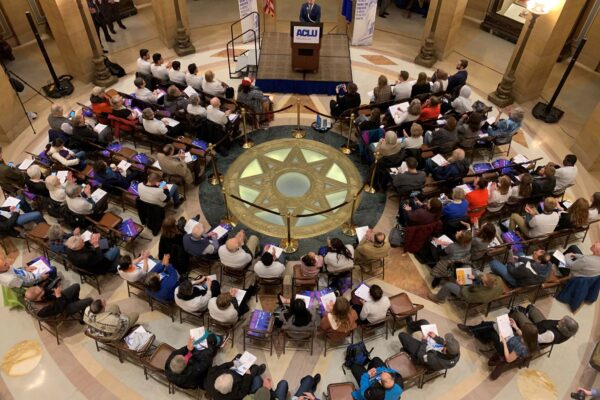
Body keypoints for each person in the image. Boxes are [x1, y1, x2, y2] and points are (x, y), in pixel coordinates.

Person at [457, 317, 538, 368]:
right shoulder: (530, 340)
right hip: (509, 339)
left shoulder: (521, 348)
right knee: (494, 325)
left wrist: (504, 343)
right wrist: (515, 326)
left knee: (493, 332)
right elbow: (521, 333)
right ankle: (474, 331)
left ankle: (473, 330)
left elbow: (508, 359)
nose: (522, 332)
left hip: (504, 349)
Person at [510, 304, 579, 345]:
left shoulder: (551, 335)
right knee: (531, 308)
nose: (560, 320)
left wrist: (517, 328)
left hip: (534, 333)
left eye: (562, 321)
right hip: (543, 325)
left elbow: (534, 339)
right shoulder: (567, 330)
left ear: (564, 327)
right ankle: (525, 314)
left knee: (519, 315)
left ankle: (510, 317)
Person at [430, 268, 502, 304]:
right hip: (476, 287)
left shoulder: (481, 294)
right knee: (470, 270)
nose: (483, 276)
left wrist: (461, 285)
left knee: (448, 285)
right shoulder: (496, 280)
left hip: (468, 294)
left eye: (484, 277)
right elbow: (484, 277)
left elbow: (467, 295)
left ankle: (439, 298)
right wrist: (476, 277)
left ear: (485, 284)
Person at [24, 283, 93, 319]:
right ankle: (83, 317)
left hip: (57, 300)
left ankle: (75, 302)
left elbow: (47, 291)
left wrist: (55, 292)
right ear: (37, 299)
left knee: (76, 286)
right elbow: (59, 309)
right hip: (62, 310)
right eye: (41, 293)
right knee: (89, 300)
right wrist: (58, 296)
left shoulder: (38, 295)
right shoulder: (41, 310)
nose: (43, 291)